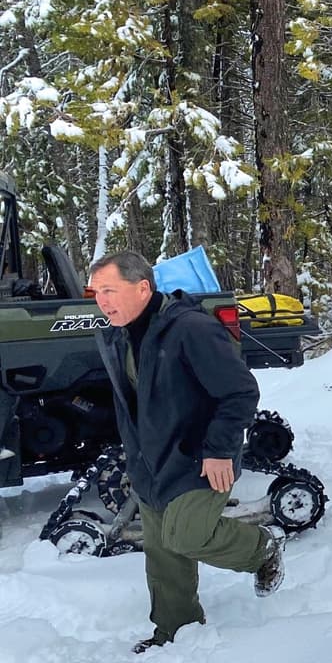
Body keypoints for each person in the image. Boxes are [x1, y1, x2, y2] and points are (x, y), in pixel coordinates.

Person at [88, 251, 285, 655]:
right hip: (151, 462)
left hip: (199, 458)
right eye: (96, 293)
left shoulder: (191, 329)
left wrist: (218, 451)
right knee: (162, 552)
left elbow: (239, 393)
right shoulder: (118, 333)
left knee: (187, 535)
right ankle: (175, 631)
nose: (102, 301)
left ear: (143, 287)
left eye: (110, 290)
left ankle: (262, 548)